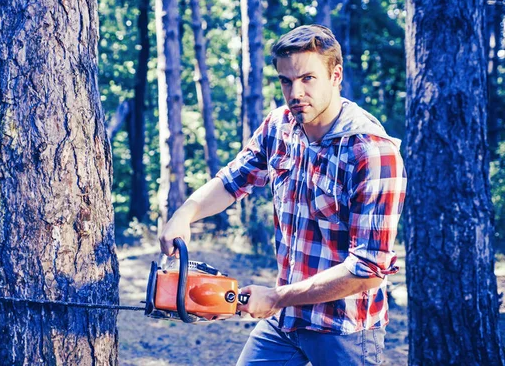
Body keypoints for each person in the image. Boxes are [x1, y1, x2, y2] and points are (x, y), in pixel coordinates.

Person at [158, 24, 407, 365]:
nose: (295, 92)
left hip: (343, 329)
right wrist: (183, 214)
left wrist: (275, 298)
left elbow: (367, 270)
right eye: (286, 81)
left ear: (335, 76)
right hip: (286, 321)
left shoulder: (371, 153)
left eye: (307, 78)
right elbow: (232, 181)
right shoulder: (280, 126)